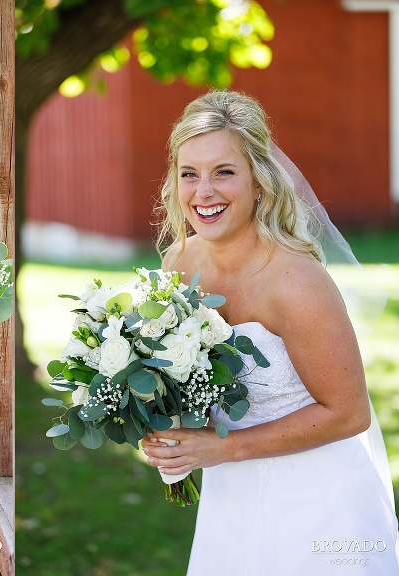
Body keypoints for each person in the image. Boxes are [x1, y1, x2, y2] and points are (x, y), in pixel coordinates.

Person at [141, 90, 399, 575]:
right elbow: (180, 375)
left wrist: (220, 448)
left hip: (318, 498)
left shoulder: (297, 283)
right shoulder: (180, 263)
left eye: (224, 172)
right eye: (189, 174)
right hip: (230, 494)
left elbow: (349, 414)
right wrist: (158, 423)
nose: (204, 192)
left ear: (259, 180)